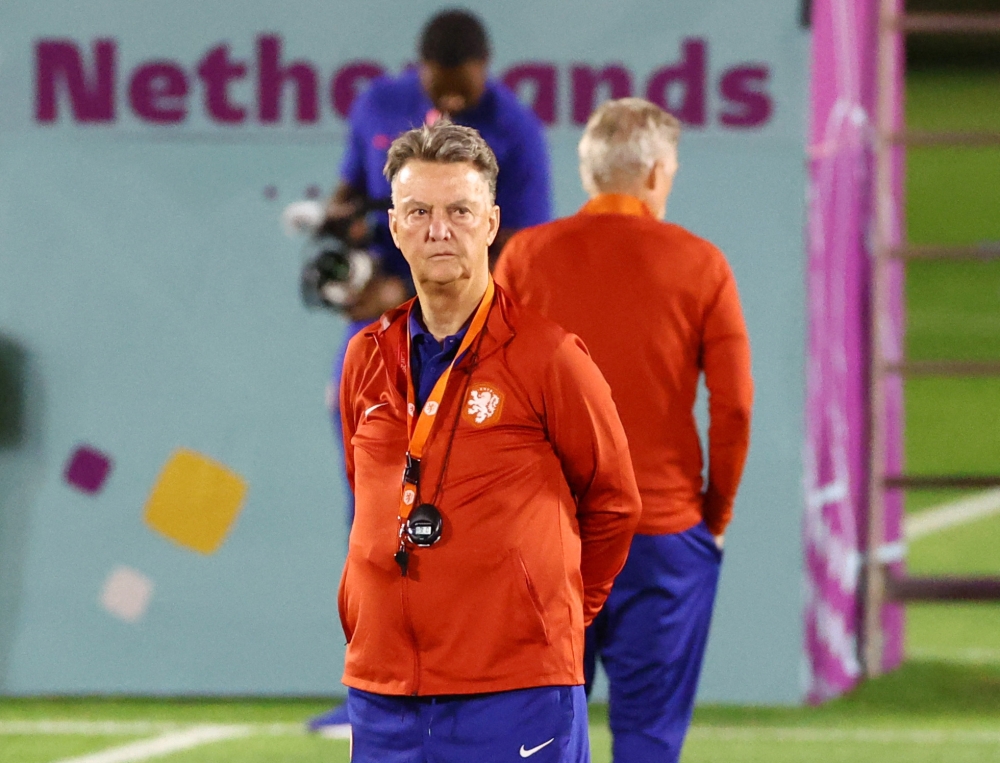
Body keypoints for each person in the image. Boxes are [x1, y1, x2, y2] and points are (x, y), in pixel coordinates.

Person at [336, 120, 641, 762]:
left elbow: (613, 503)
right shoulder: (367, 355)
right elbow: (370, 494)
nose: (438, 230)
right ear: (395, 228)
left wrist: (549, 621)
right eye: (418, 212)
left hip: (515, 690)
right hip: (385, 688)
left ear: (492, 222)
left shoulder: (550, 357)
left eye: (459, 211)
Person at [308, 8, 552, 734]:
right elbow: (351, 195)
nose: (448, 102)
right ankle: (377, 689)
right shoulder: (377, 106)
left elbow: (520, 251)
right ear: (420, 70)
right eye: (438, 87)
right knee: (372, 518)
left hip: (471, 349)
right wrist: (341, 233)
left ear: (485, 72)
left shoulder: (517, 132)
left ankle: (466, 688)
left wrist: (416, 290)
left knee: (462, 522)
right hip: (379, 348)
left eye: (462, 91)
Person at [494, 98, 754, 763]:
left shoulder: (524, 258)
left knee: (538, 737)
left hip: (546, 536)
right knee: (649, 739)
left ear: (589, 173)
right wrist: (714, 514)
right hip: (662, 532)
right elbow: (734, 406)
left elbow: (486, 393)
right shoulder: (701, 263)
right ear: (657, 173)